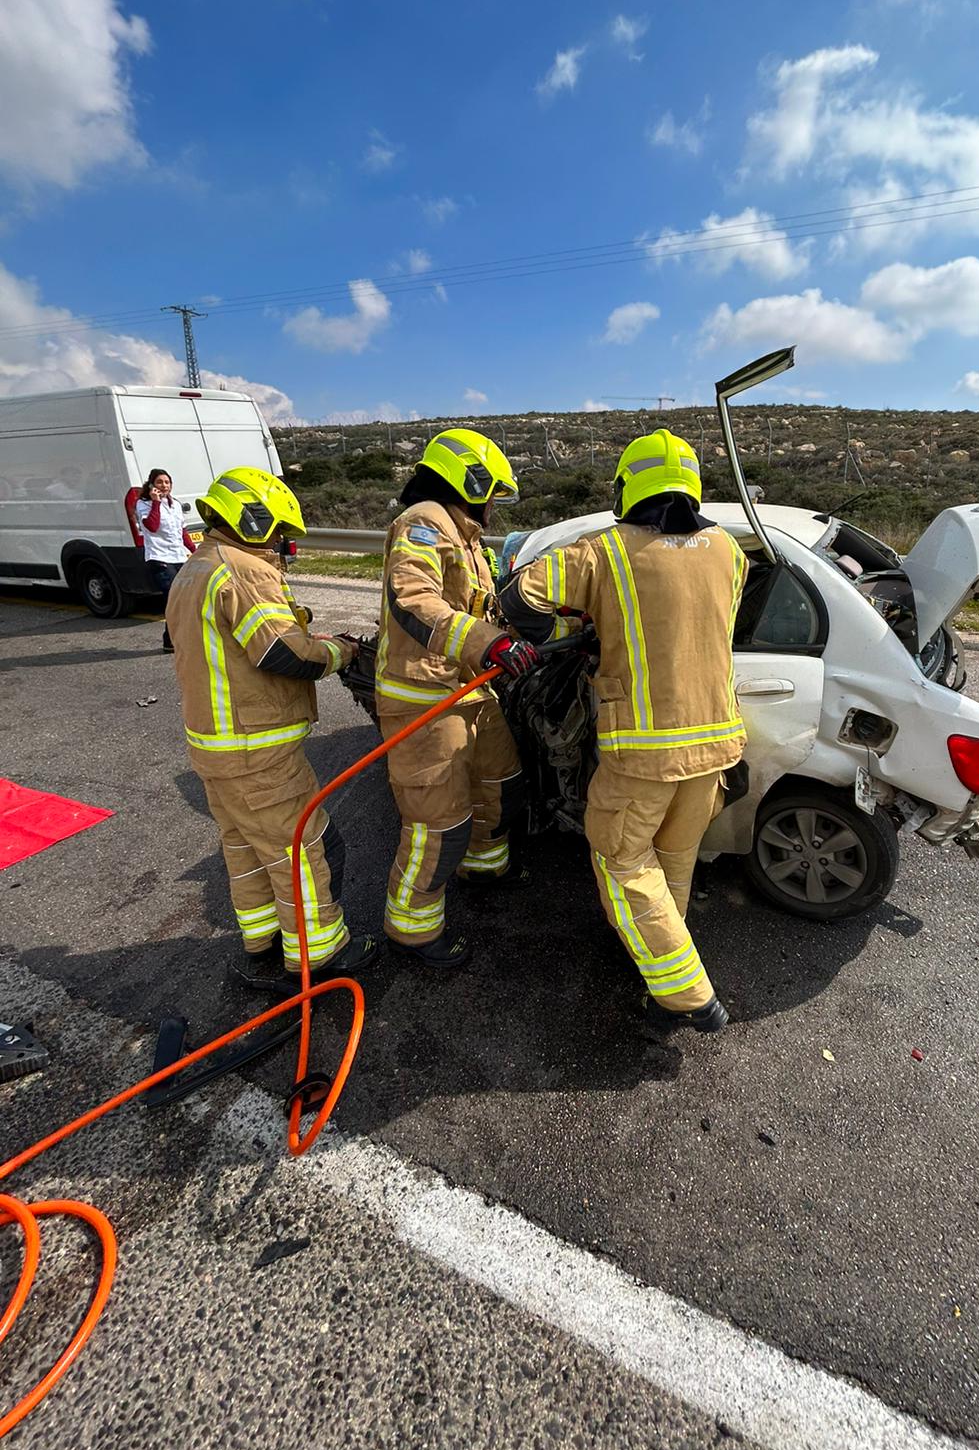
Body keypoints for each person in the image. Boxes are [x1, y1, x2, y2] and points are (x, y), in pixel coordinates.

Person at [499, 429, 746, 1035]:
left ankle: (685, 994)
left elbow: (517, 598)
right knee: (672, 861)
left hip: (643, 752)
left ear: (627, 486)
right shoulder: (729, 551)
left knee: (620, 860)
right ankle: (653, 956)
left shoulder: (602, 552)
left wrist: (573, 634)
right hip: (715, 746)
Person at [166, 467, 376, 985]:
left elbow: (234, 646)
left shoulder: (195, 569)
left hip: (213, 748)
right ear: (254, 521)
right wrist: (341, 651)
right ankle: (319, 955)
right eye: (280, 531)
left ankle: (263, 940)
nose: (282, 543)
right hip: (257, 752)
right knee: (306, 850)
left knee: (247, 850)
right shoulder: (242, 569)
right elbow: (282, 652)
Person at [376, 428, 534, 969]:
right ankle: (412, 931)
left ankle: (485, 867)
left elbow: (479, 605)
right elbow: (413, 599)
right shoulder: (423, 521)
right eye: (491, 492)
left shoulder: (464, 534)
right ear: (471, 480)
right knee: (437, 824)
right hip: (424, 700)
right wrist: (490, 643)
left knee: (502, 781)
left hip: (466, 691)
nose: (492, 505)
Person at [135, 468, 195, 651]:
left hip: (178, 556)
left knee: (183, 598)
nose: (164, 486)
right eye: (160, 482)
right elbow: (151, 526)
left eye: (167, 482)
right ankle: (172, 640)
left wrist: (194, 550)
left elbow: (181, 531)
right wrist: (155, 503)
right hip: (159, 557)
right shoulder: (143, 504)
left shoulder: (175, 504)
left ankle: (171, 640)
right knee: (173, 597)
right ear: (152, 485)